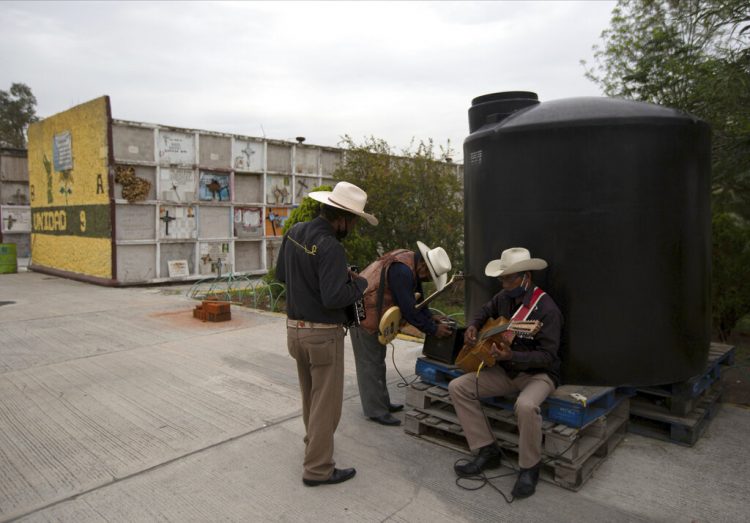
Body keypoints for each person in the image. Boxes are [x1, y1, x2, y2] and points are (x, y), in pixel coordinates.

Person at [276, 181, 377, 487]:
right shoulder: (331, 245)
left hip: (295, 330)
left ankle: (314, 445)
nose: (353, 227)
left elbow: (282, 275)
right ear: (342, 218)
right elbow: (334, 298)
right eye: (354, 221)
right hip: (323, 335)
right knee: (327, 405)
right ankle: (318, 468)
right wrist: (360, 284)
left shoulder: (295, 233)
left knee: (311, 397)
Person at [448, 247, 562, 499]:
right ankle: (487, 450)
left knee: (525, 405)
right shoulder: (504, 297)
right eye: (502, 278)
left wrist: (514, 356)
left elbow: (548, 356)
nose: (503, 283)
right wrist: (474, 327)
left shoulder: (547, 310)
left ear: (526, 277)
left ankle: (530, 468)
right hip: (507, 370)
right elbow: (484, 311)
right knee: (458, 387)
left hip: (539, 374)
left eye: (508, 278)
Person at [350, 241, 454, 426]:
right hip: (363, 314)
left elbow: (418, 297)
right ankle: (376, 410)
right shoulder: (402, 271)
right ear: (424, 265)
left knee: (377, 361)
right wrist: (432, 329)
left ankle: (382, 403)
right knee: (369, 364)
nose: (428, 280)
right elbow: (409, 309)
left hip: (373, 312)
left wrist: (431, 316)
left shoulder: (410, 262)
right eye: (430, 276)